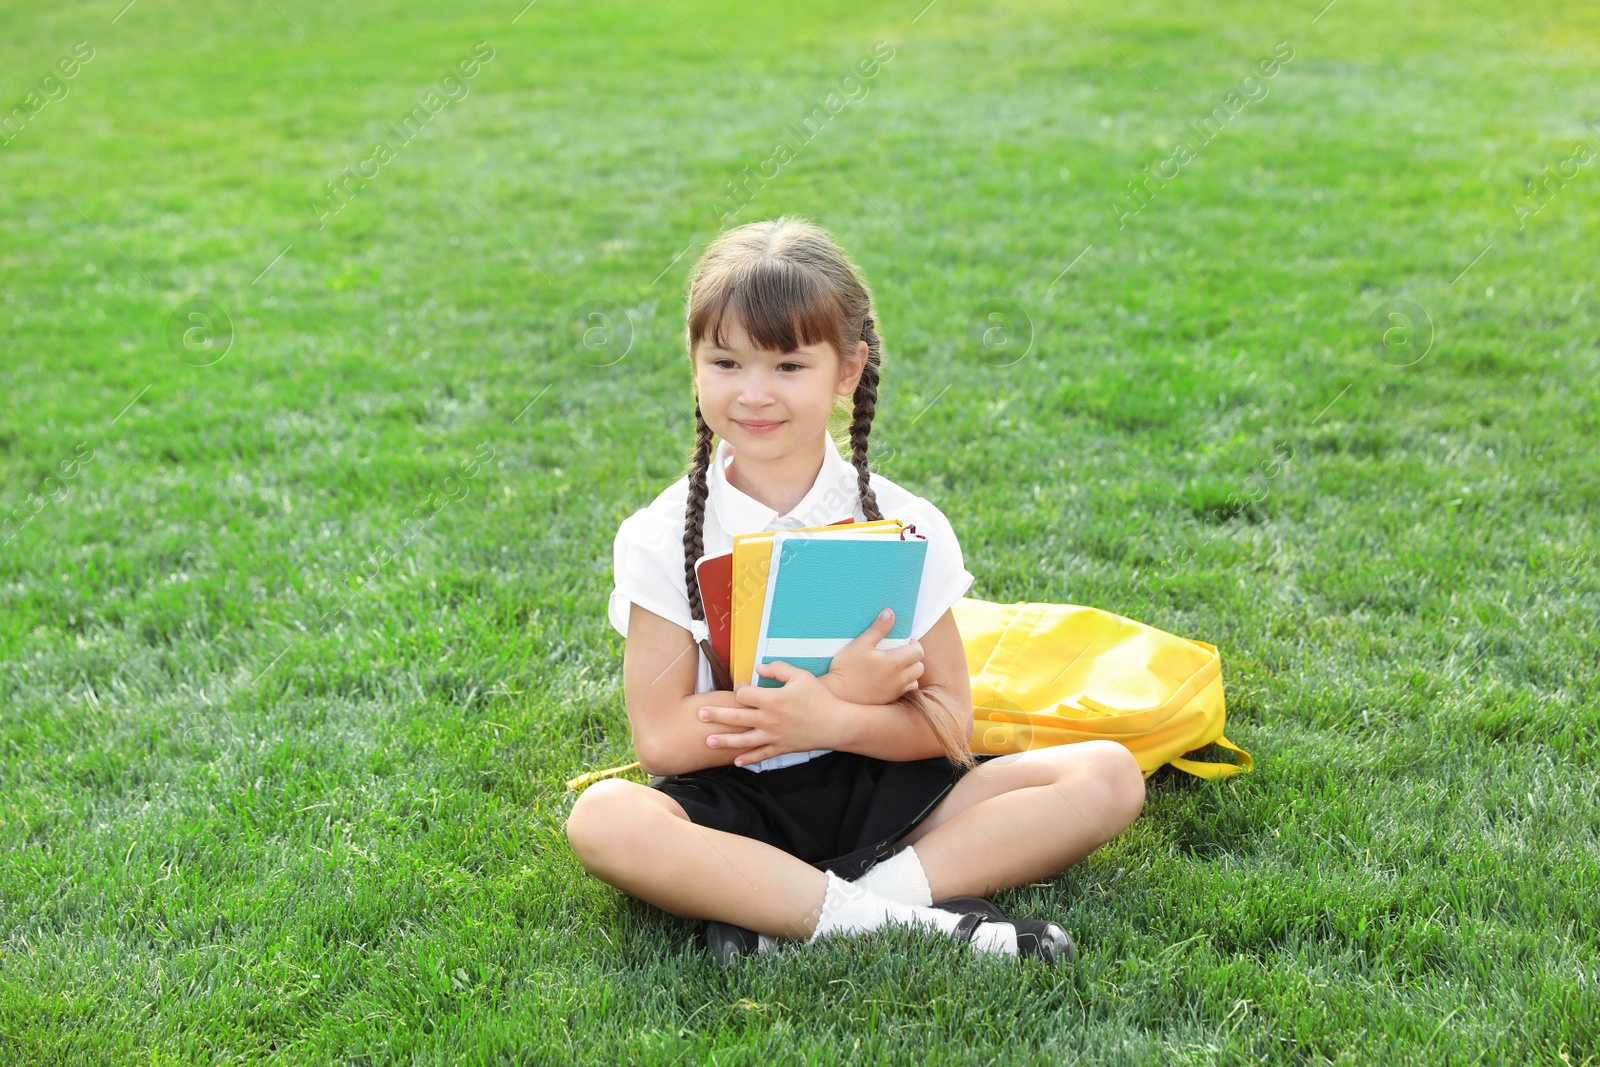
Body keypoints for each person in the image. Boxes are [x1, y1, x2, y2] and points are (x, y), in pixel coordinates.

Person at [564, 216, 1146, 965]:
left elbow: (946, 723)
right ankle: (912, 922)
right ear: (694, 362)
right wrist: (819, 697)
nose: (754, 394)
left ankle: (813, 908)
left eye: (788, 366)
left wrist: (830, 718)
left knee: (1106, 774)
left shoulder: (907, 522)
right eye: (726, 363)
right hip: (735, 808)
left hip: (888, 792)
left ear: (847, 369)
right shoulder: (659, 533)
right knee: (604, 817)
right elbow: (662, 739)